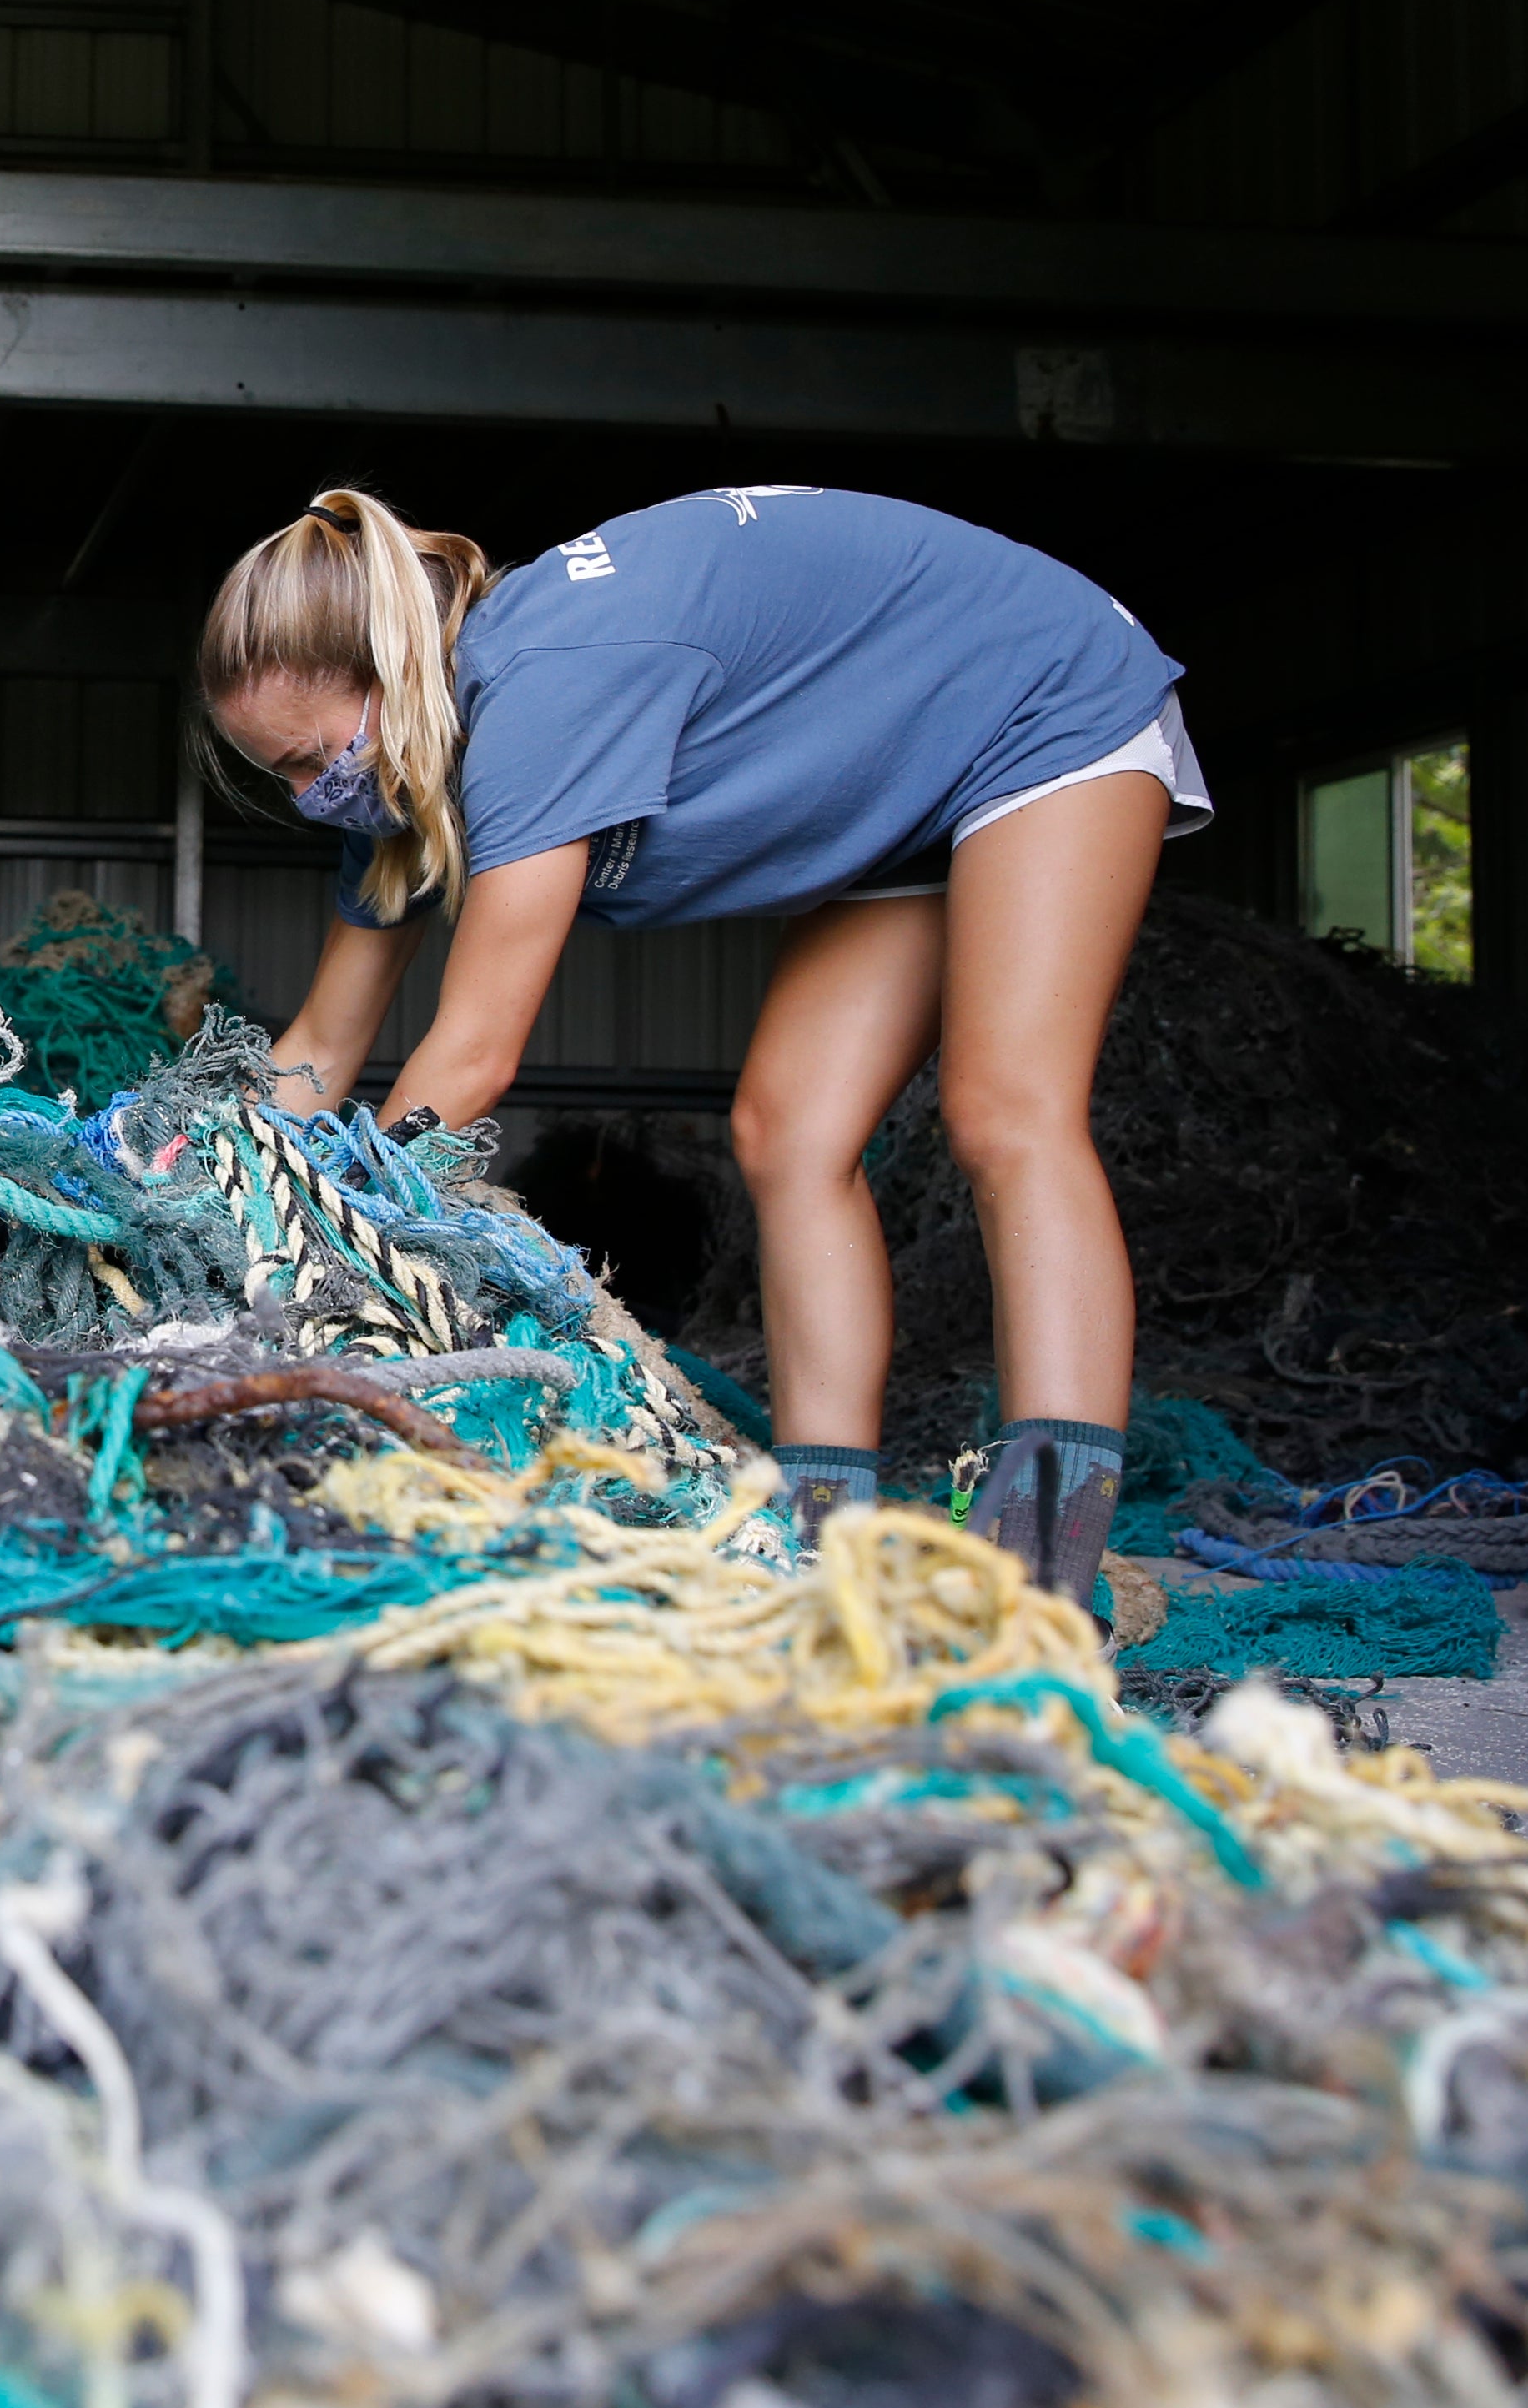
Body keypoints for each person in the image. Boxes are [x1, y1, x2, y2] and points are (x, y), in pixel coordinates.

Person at [193, 484, 1207, 1601]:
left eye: (308, 759)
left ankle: (1046, 1557)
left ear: (392, 677)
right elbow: (324, 1045)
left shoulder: (543, 688)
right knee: (788, 1132)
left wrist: (335, 1246)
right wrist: (213, 1196)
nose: (306, 796)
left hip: (1033, 697)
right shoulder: (407, 779)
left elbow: (473, 1061)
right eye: (280, 775)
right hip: (912, 779)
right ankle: (825, 1538)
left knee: (1005, 1109)